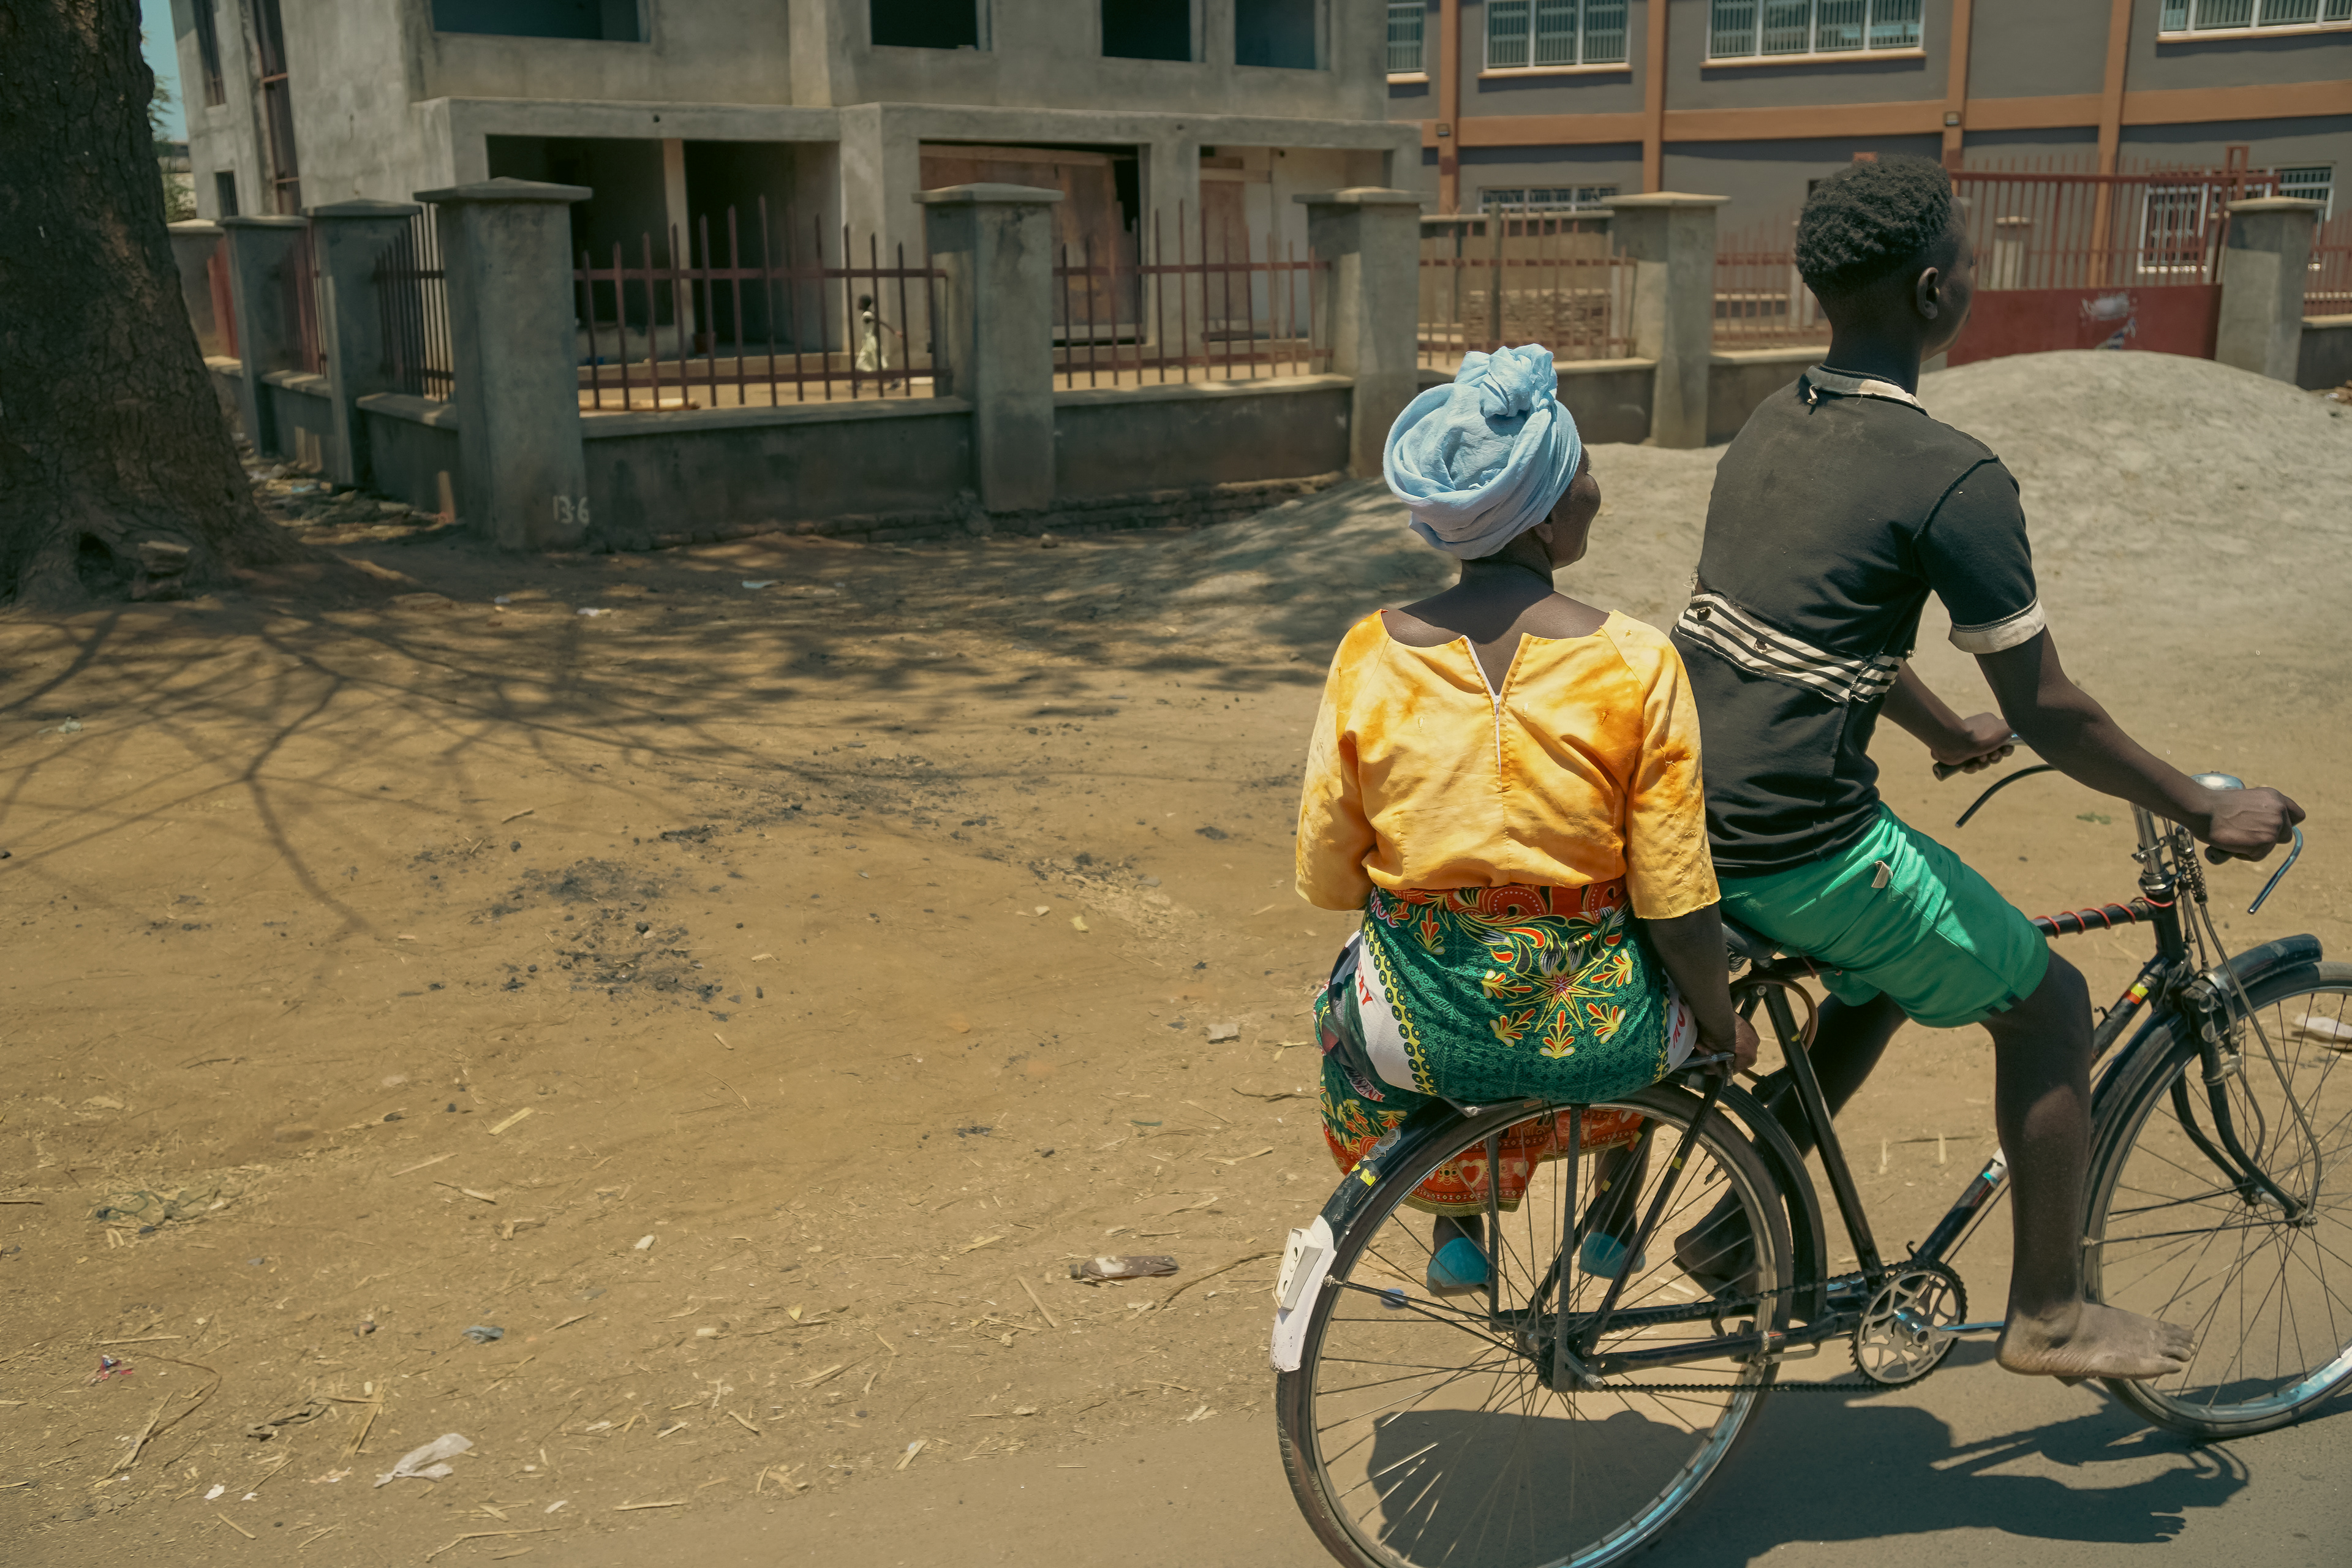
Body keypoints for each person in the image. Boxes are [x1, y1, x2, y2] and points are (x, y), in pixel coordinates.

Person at [1669, 157, 2302, 1380]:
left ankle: (1729, 1226)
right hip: (1799, 840)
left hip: (1692, 817)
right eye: (1964, 253)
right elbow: (2055, 712)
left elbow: (1792, 633)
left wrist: (1943, 728)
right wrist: (2202, 802)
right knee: (2051, 1002)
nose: (1973, 266)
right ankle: (2052, 1312)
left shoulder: (1768, 422)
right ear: (1933, 290)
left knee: (1887, 974)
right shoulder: (1955, 475)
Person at [1295, 344, 1759, 1297]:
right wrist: (1721, 1023)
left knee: (1363, 1000)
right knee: (1669, 968)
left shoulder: (1368, 656)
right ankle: (1615, 1219)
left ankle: (1455, 1230)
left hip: (1423, 1024)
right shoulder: (1636, 660)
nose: (1597, 490)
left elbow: (1327, 874)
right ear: (1546, 511)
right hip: (1604, 1032)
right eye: (1583, 471)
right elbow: (1675, 890)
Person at [854, 294, 899, 389]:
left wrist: (894, 332)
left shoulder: (867, 316)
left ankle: (894, 380)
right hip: (869, 343)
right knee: (864, 363)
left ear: (863, 304)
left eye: (859, 302)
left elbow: (880, 322)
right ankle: (858, 383)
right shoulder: (869, 313)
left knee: (872, 364)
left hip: (870, 344)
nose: (858, 304)